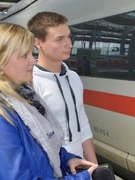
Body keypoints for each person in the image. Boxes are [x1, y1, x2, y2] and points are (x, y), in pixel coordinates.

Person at [0, 22, 98, 179]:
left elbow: (44, 143)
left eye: (31, 54)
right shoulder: (5, 112)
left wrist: (66, 158)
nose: (33, 61)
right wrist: (79, 178)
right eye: (24, 55)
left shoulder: (26, 93)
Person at [27, 11, 98, 164]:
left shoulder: (73, 78)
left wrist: (94, 166)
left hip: (79, 165)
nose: (69, 44)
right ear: (38, 43)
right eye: (60, 39)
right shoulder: (30, 83)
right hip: (53, 167)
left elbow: (82, 123)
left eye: (68, 36)